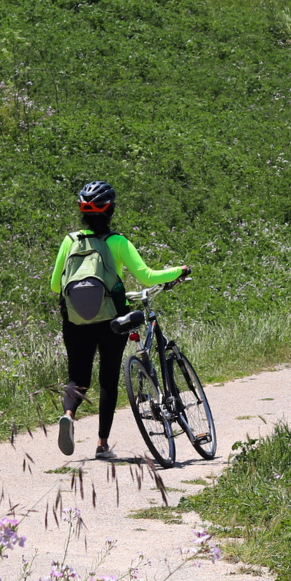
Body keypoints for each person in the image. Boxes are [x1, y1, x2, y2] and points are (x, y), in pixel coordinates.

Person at [50, 181, 188, 460]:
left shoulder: (70, 241)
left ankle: (68, 414)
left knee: (78, 376)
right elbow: (147, 277)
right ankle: (102, 444)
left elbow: (56, 285)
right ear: (110, 210)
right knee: (109, 378)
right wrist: (179, 270)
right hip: (112, 318)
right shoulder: (118, 242)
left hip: (74, 319)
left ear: (83, 213)